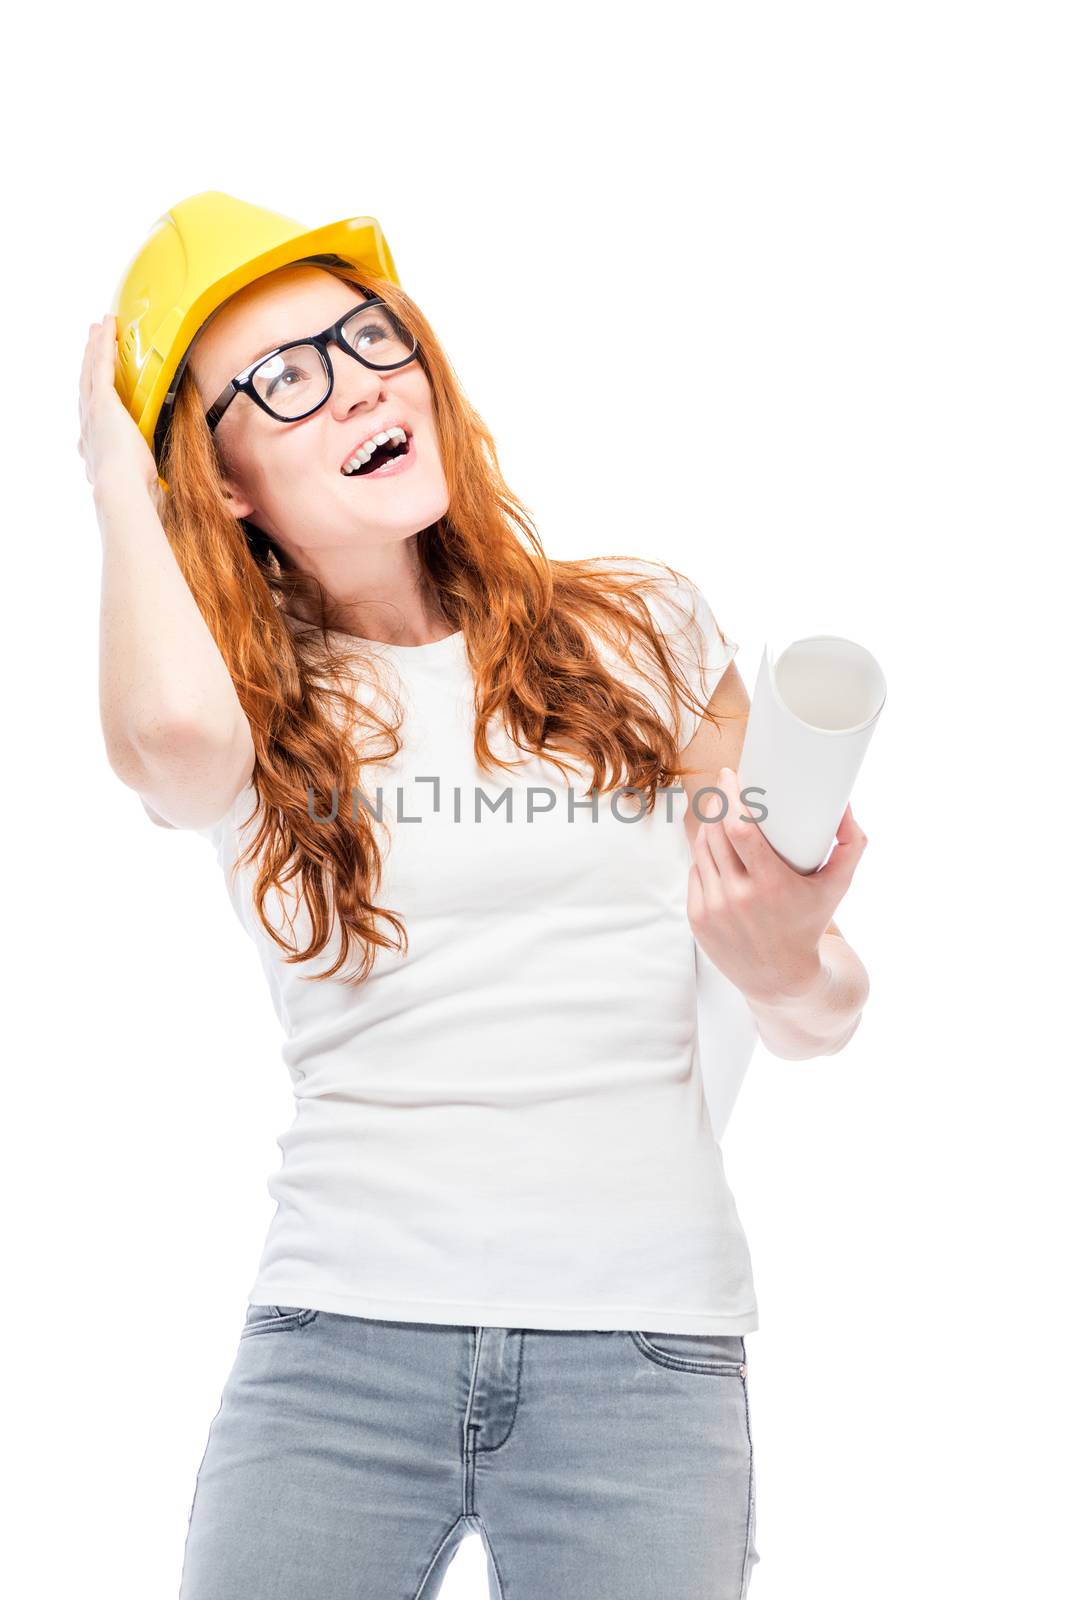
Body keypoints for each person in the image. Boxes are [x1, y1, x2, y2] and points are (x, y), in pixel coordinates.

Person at [78, 191, 870, 1600]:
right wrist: (111, 469)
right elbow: (174, 750)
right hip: (335, 1350)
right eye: (287, 381)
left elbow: (820, 1013)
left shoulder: (642, 629)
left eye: (369, 337)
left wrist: (784, 958)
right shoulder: (250, 708)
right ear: (220, 486)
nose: (361, 384)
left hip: (643, 1351)